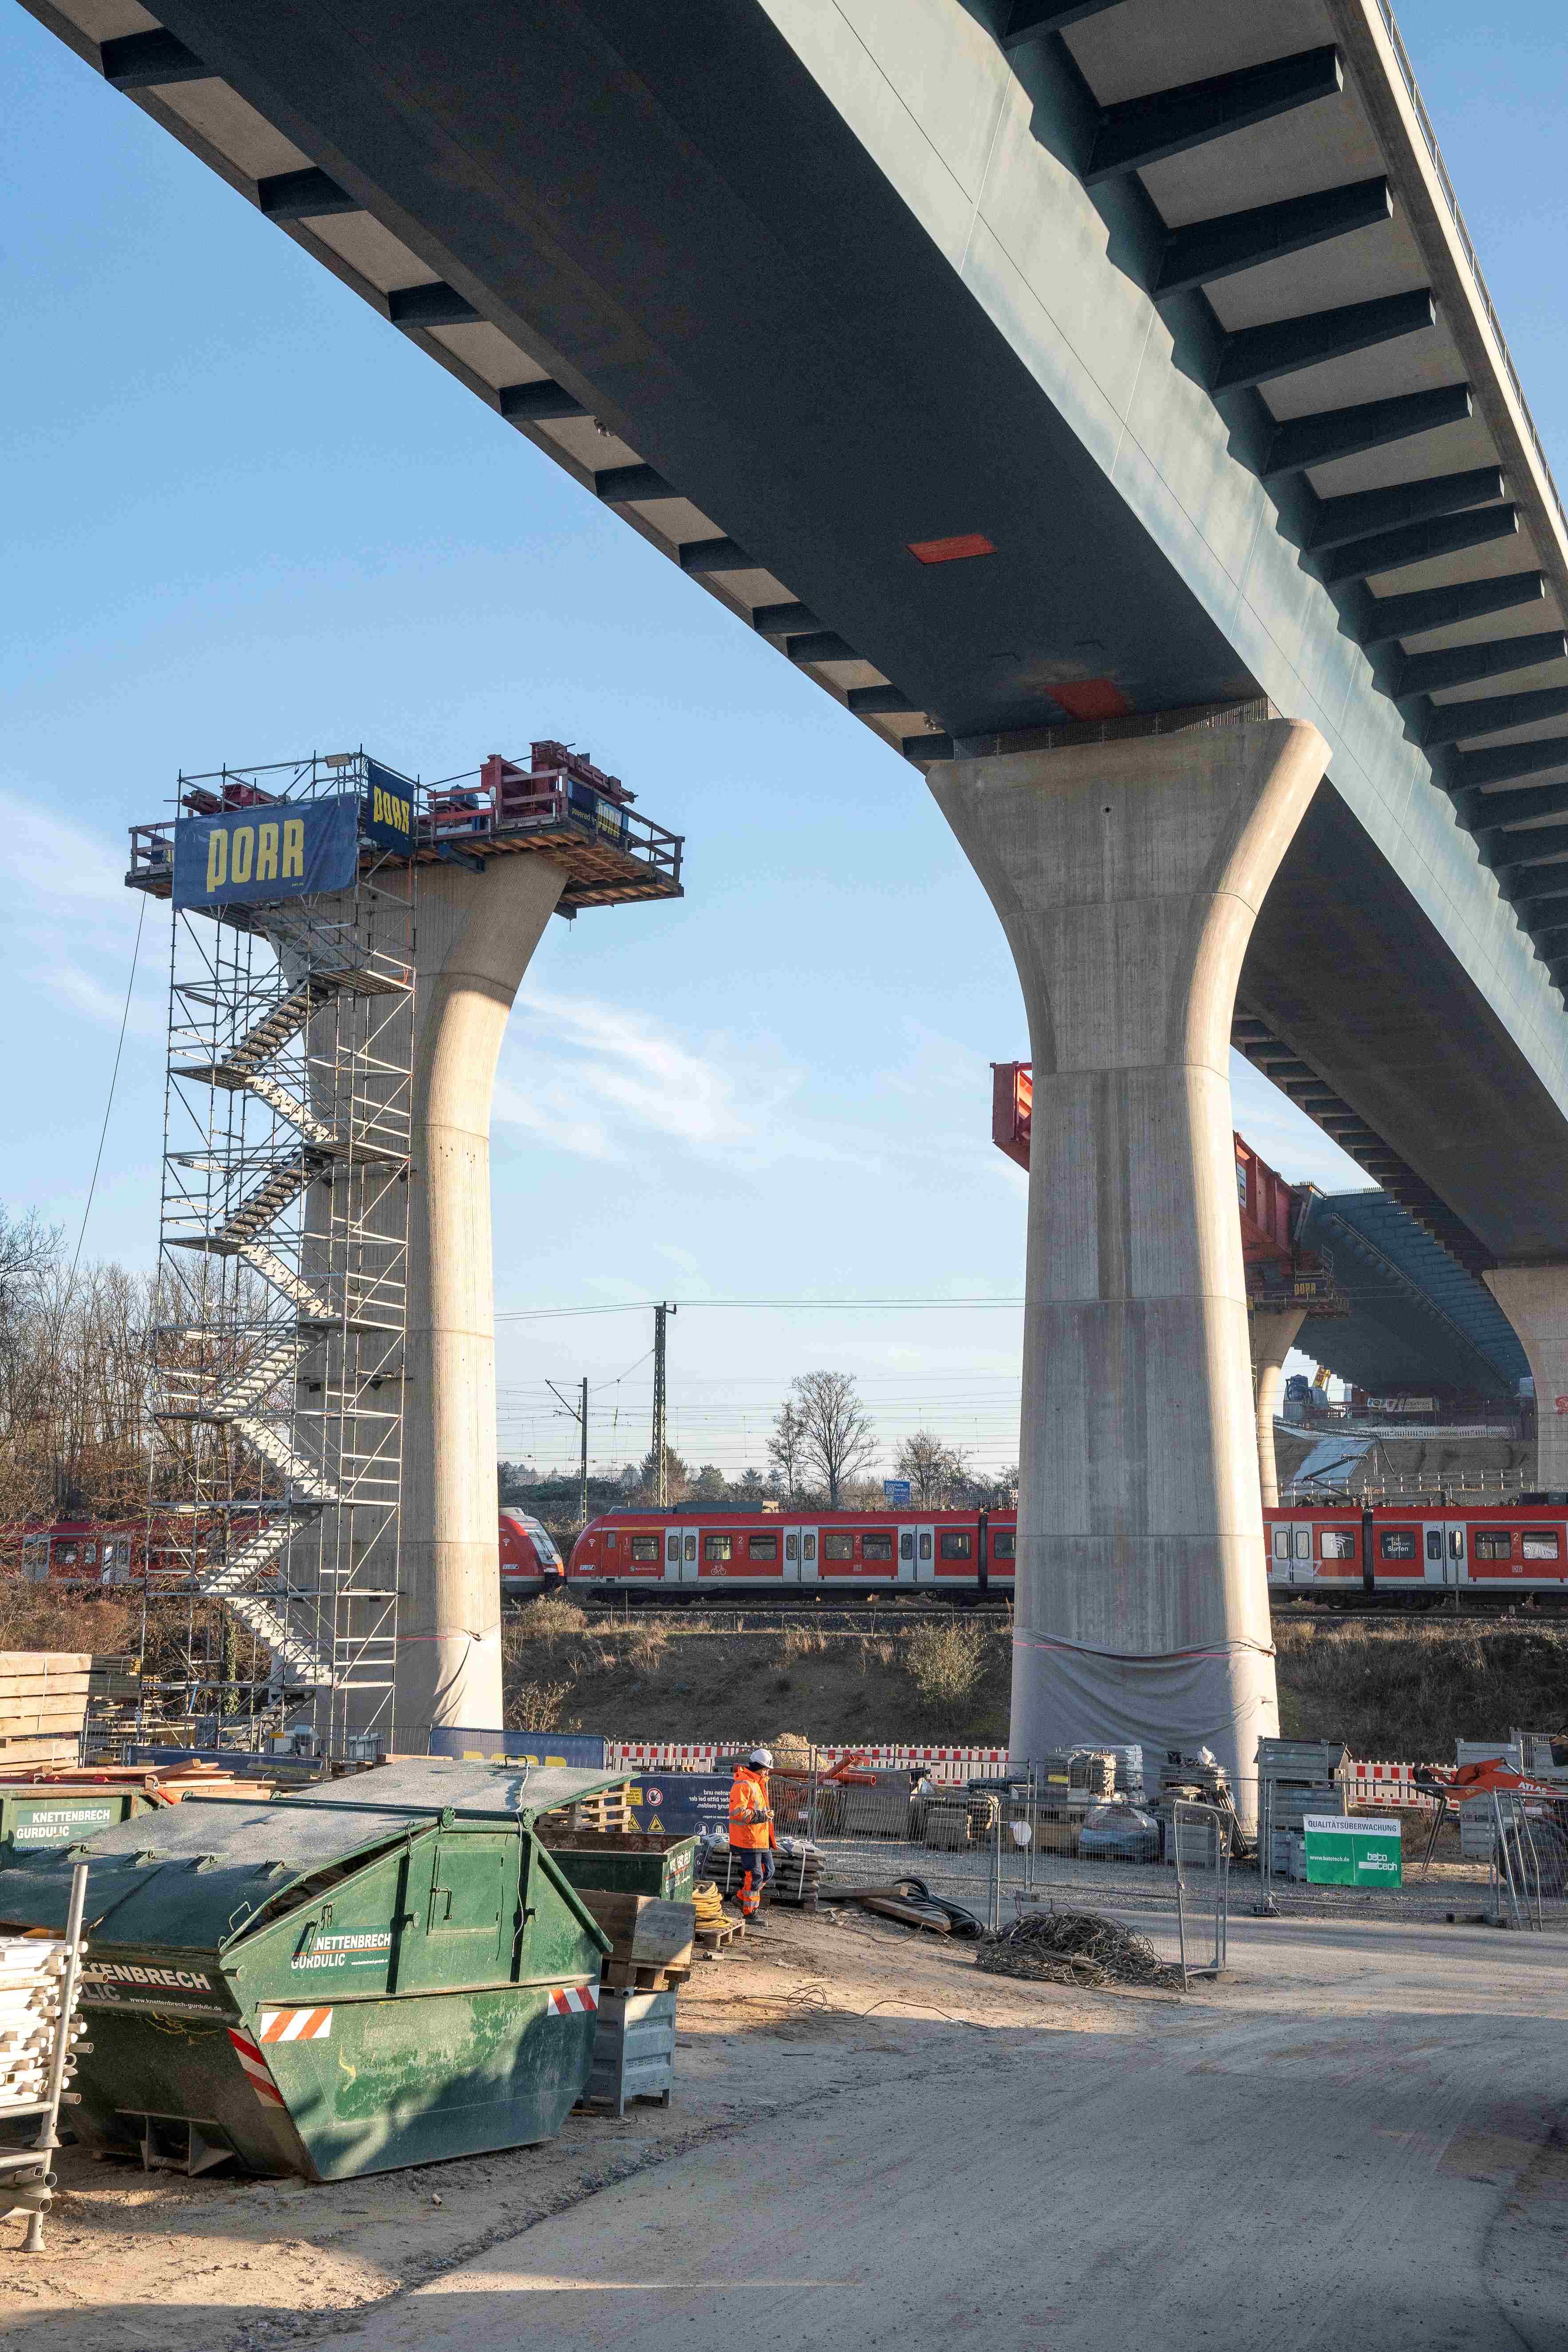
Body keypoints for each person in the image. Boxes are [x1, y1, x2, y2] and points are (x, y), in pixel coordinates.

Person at [727, 1747, 776, 1914]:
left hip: (760, 1839)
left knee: (768, 1871)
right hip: (748, 1840)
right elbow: (738, 1813)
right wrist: (763, 1816)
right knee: (755, 1876)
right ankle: (749, 1912)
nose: (766, 1773)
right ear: (759, 1768)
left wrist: (765, 1817)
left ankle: (741, 1899)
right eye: (765, 1770)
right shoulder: (743, 1785)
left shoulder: (758, 1784)